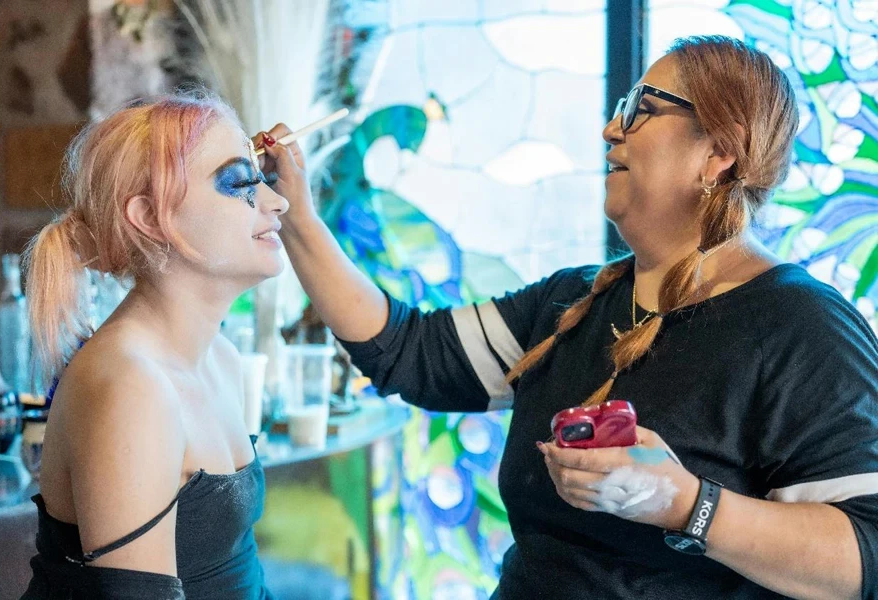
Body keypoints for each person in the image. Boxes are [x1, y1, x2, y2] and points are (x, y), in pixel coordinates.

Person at [255, 35, 877, 599]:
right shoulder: (573, 302)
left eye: (641, 108)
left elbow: (865, 556)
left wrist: (685, 503)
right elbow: (409, 351)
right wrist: (297, 215)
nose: (611, 128)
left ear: (719, 150)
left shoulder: (801, 326)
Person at [21, 93, 288, 599]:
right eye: (239, 183)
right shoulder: (130, 388)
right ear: (148, 216)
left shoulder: (221, 360)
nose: (277, 202)